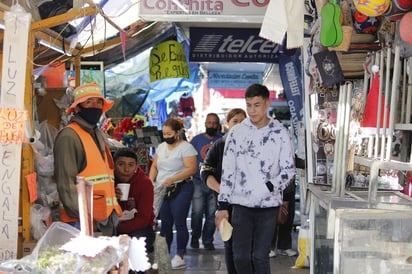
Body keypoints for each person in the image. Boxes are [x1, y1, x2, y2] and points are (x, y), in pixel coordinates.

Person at [215, 84, 296, 274]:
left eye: (257, 105)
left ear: (267, 103)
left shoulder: (280, 133)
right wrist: (223, 205)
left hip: (268, 205)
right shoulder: (236, 133)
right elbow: (228, 170)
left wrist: (270, 186)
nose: (252, 110)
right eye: (249, 105)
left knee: (260, 256)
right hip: (240, 203)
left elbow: (288, 169)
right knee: (240, 257)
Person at [54, 83, 122, 236]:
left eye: (98, 102)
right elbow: (66, 184)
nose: (95, 106)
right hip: (81, 221)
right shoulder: (69, 136)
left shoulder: (96, 134)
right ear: (77, 108)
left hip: (103, 218)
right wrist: (84, 219)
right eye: (89, 102)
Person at [200, 108, 247, 274]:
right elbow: (205, 171)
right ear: (227, 124)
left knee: (249, 246)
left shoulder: (255, 144)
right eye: (235, 121)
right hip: (225, 204)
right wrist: (222, 190)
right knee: (230, 241)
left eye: (242, 121)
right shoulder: (219, 145)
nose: (239, 125)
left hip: (250, 202)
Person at [149, 117, 197, 270]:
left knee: (179, 220)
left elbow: (191, 169)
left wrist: (173, 178)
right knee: (165, 223)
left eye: (169, 134)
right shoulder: (162, 147)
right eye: (164, 134)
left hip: (181, 187)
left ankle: (180, 255)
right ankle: (164, 255)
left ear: (177, 132)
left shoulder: (186, 148)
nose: (166, 137)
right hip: (163, 188)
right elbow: (155, 165)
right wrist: (151, 180)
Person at [113, 148, 156, 267]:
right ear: (114, 165)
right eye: (121, 164)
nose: (126, 170)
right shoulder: (109, 182)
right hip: (113, 225)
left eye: (131, 165)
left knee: (135, 246)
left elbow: (144, 219)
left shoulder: (145, 183)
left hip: (139, 228)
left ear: (136, 167)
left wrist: (117, 229)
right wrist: (111, 196)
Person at [189, 113, 222, 250]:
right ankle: (195, 237)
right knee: (197, 212)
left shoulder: (222, 140)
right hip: (198, 180)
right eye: (209, 122)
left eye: (214, 123)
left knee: (211, 213)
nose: (212, 125)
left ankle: (208, 240)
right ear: (205, 123)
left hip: (216, 182)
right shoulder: (196, 140)